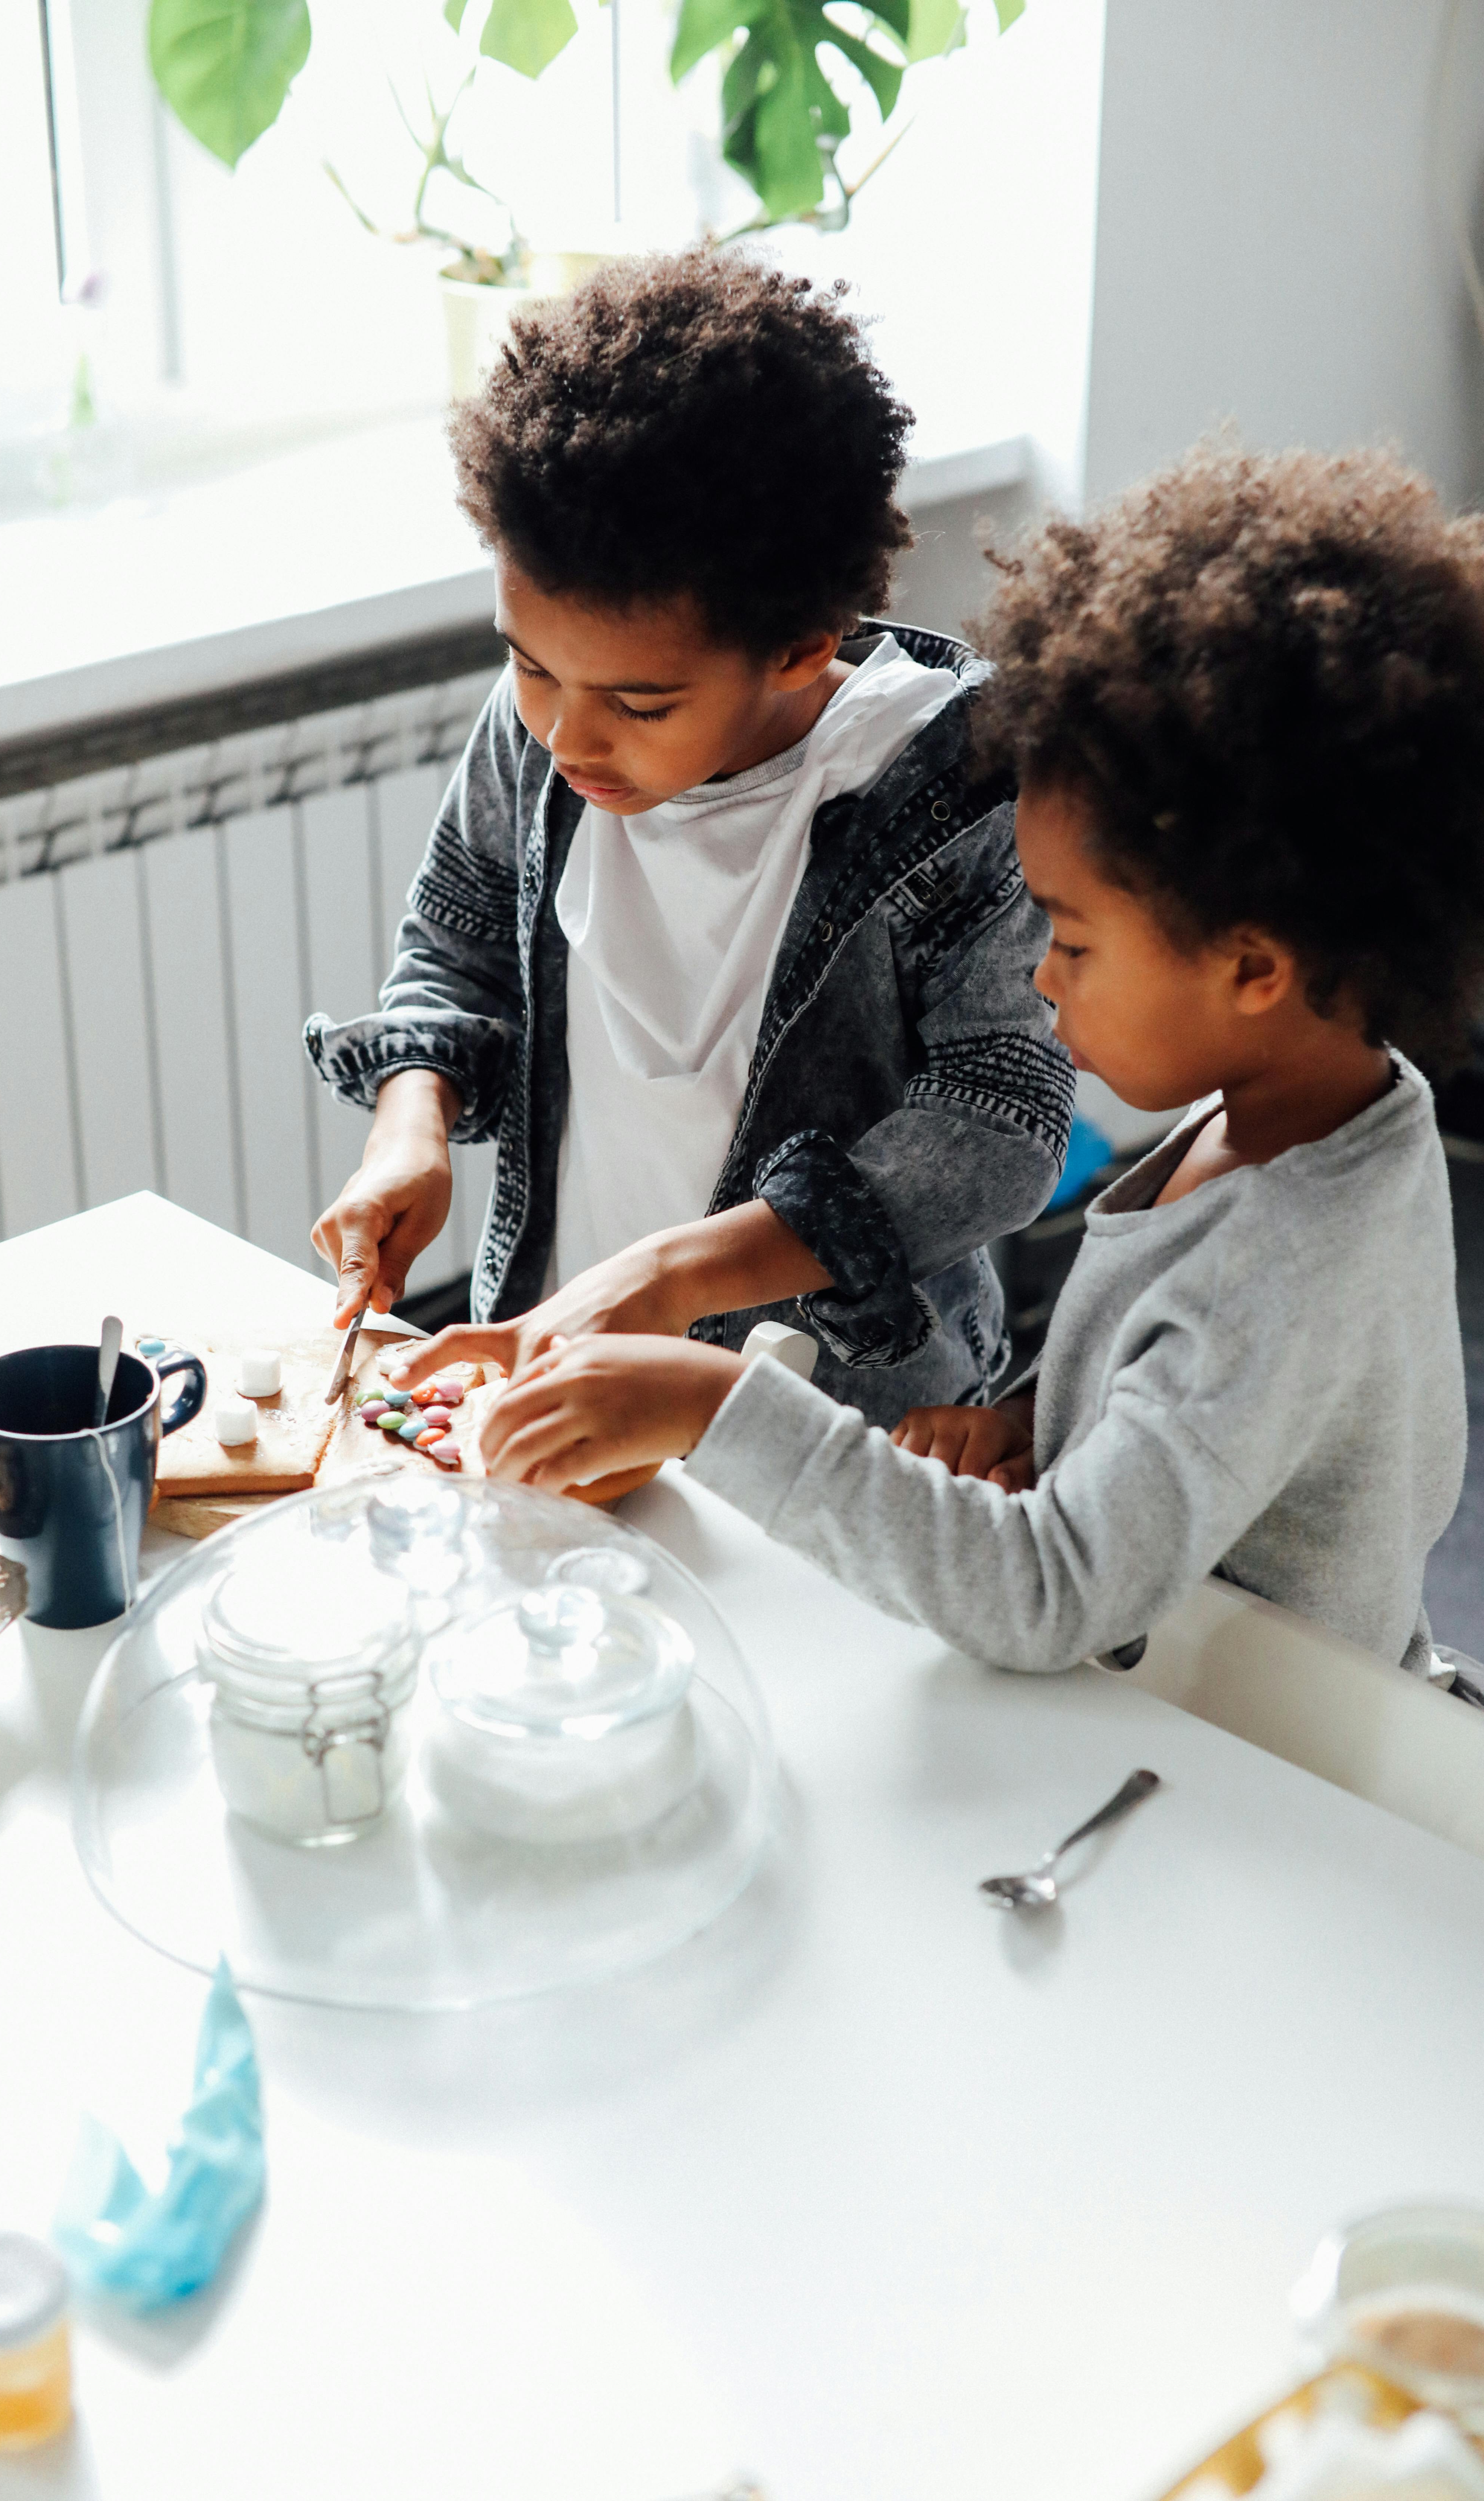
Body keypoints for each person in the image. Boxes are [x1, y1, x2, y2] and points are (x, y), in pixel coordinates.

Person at [440, 441, 1484, 1678]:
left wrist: (714, 1406)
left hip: (1256, 1770)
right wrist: (1041, 1423)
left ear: (1252, 968)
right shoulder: (1323, 1117)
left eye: (1077, 941)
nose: (1044, 977)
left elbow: (1052, 1596)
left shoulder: (1281, 1263)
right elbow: (1219, 1426)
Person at [308, 250, 1071, 1430]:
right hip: (560, 1335)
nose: (566, 733)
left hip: (833, 1417)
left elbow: (998, 1124)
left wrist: (674, 1277)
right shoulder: (553, 723)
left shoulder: (956, 793)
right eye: (528, 662)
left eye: (640, 704)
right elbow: (453, 938)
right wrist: (409, 1128)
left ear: (800, 649)